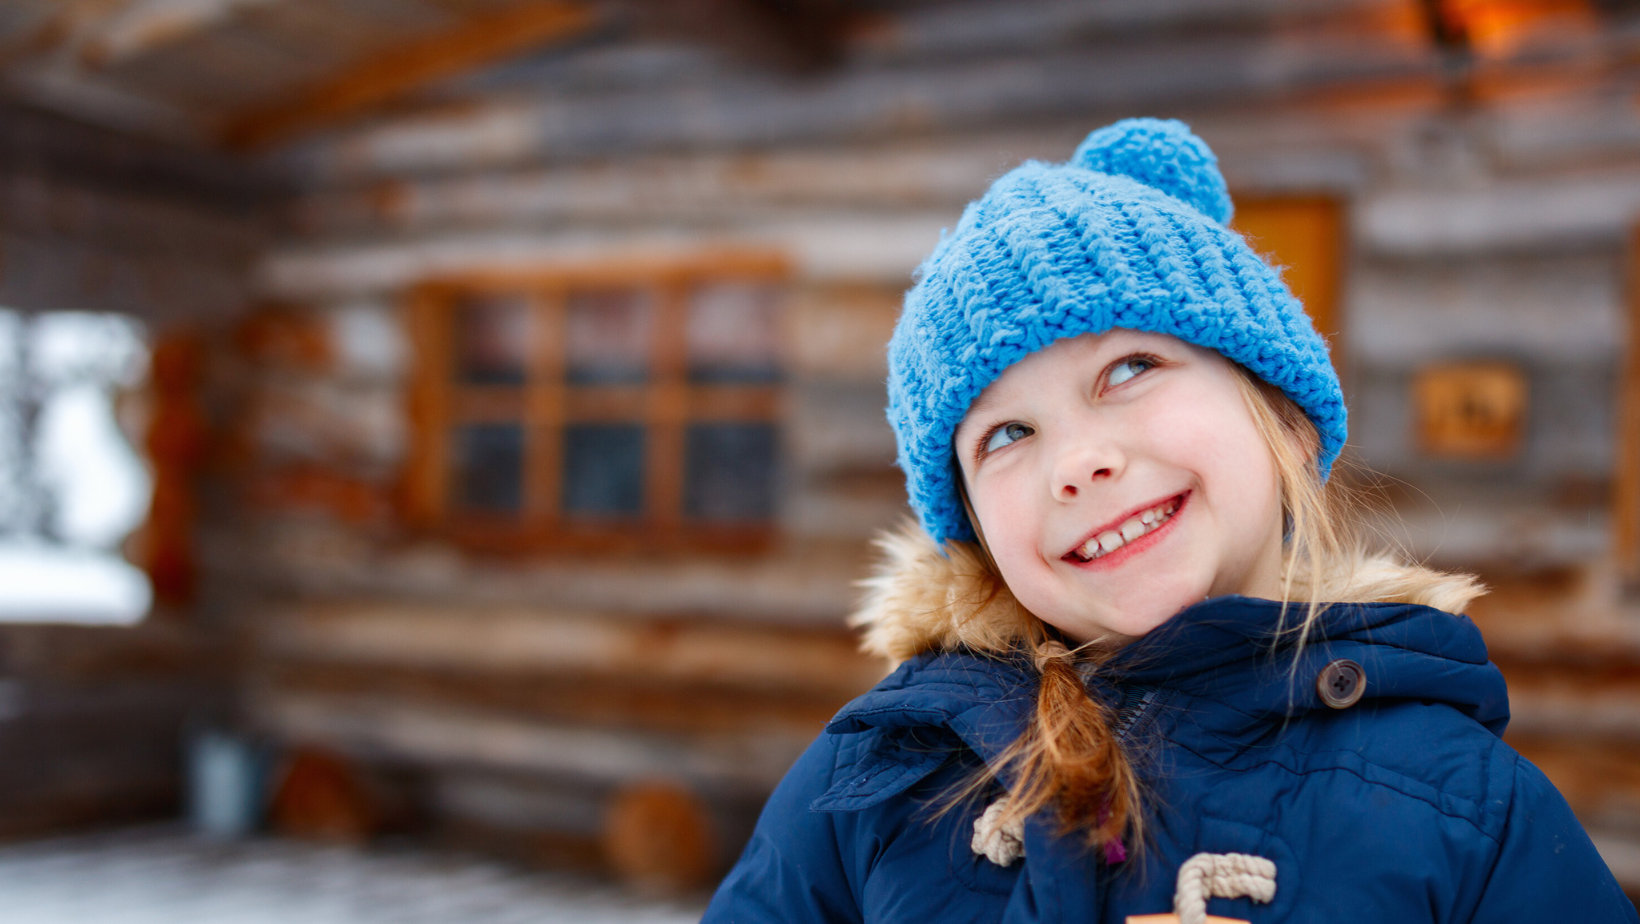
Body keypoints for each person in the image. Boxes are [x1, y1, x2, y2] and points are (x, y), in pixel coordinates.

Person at [700, 118, 1637, 923]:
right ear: (977, 532)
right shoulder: (879, 779)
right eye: (1008, 435)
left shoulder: (1462, 806)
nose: (1078, 461)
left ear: (1282, 418)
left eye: (1129, 370)